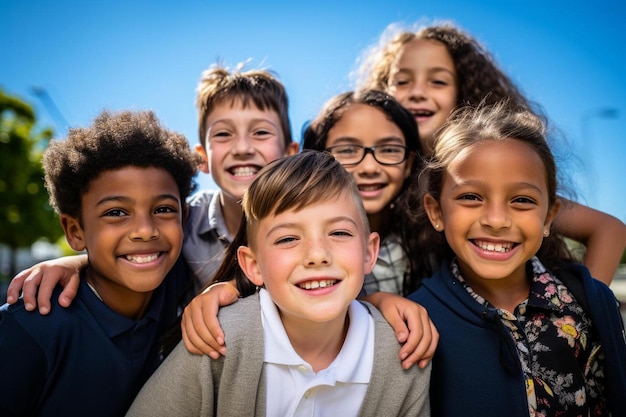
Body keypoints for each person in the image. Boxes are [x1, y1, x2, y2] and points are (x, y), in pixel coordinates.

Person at [7, 65, 437, 370]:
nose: (244, 147)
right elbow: (138, 236)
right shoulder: (183, 219)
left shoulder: (344, 239)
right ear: (201, 158)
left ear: (292, 153)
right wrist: (75, 262)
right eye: (225, 134)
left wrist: (378, 300)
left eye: (261, 132)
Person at [125, 151, 432, 417]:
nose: (317, 255)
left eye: (339, 233)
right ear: (253, 266)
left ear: (369, 253)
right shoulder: (219, 340)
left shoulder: (404, 352)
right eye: (288, 238)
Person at [181, 89, 438, 369]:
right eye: (348, 151)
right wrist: (229, 290)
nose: (369, 166)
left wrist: (377, 303)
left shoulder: (426, 236)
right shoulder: (203, 222)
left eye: (388, 150)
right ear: (315, 158)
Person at [354, 21, 626, 284]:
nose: (417, 92)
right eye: (401, 82)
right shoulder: (382, 177)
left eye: (437, 82)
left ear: (463, 90)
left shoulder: (498, 173)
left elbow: (608, 229)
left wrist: (589, 313)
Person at [407, 100, 626, 416]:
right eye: (471, 197)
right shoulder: (420, 324)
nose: (496, 220)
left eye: (522, 200)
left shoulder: (591, 303)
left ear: (549, 218)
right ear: (436, 212)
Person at [0, 110, 200, 416]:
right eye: (116, 213)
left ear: (184, 219)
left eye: (162, 209)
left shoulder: (182, 283)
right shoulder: (31, 327)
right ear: (75, 231)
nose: (146, 230)